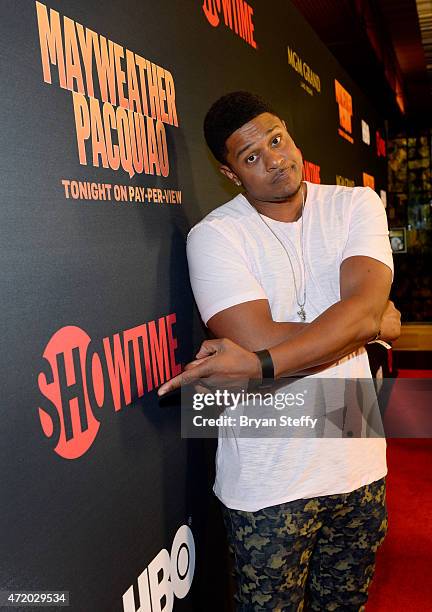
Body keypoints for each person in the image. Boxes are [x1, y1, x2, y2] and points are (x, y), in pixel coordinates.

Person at [159, 91, 401, 611]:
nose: (275, 159)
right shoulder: (215, 235)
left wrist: (265, 364)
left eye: (276, 139)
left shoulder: (356, 204)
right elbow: (258, 338)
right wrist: (366, 321)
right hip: (269, 482)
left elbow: (272, 349)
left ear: (288, 130)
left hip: (358, 463)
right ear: (230, 173)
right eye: (252, 157)